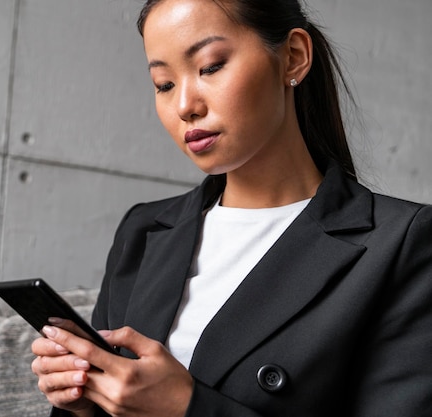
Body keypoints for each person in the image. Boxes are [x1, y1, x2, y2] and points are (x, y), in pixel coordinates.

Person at [31, 0, 432, 415]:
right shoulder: (144, 229)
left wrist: (187, 407)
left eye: (209, 66)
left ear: (293, 57)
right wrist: (83, 403)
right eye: (164, 84)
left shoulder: (401, 244)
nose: (185, 105)